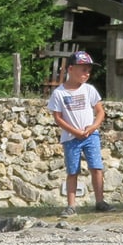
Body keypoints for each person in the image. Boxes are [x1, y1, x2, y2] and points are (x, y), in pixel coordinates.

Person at [47, 51, 111, 216]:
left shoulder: (89, 90)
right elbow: (58, 117)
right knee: (72, 171)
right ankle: (71, 205)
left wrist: (92, 127)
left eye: (89, 70)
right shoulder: (59, 93)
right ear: (70, 69)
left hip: (91, 136)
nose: (87, 73)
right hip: (71, 138)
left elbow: (100, 112)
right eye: (83, 69)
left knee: (96, 167)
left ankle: (100, 201)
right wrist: (74, 131)